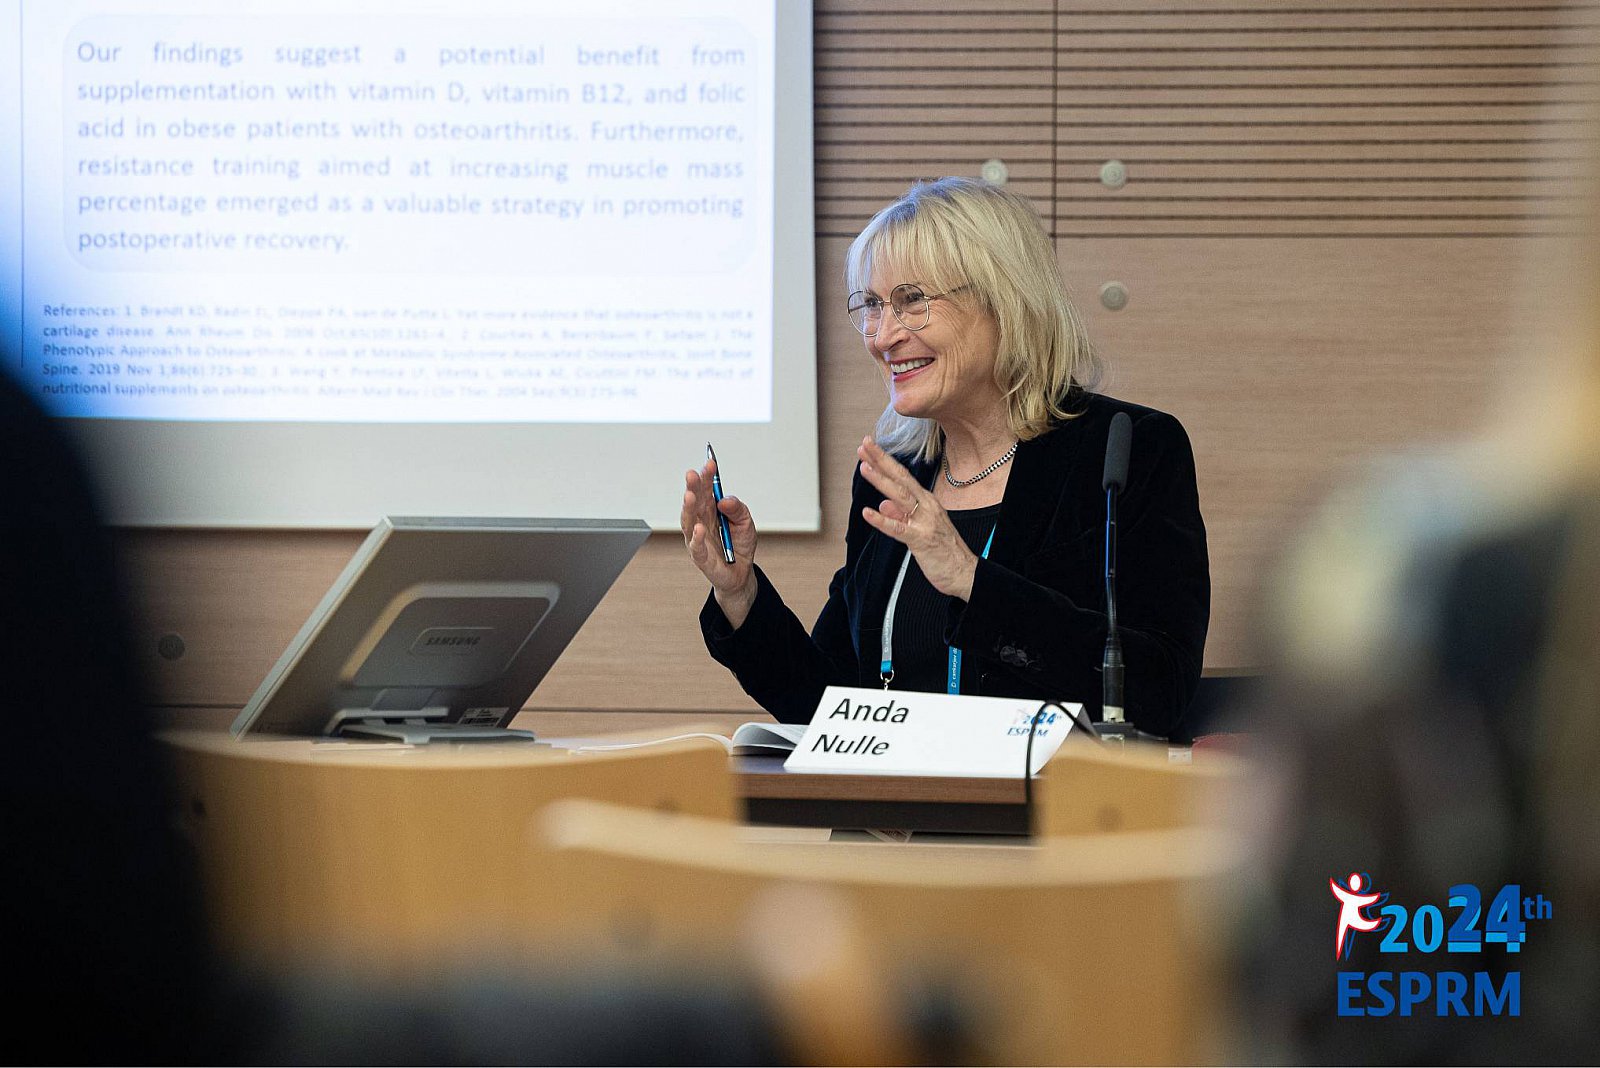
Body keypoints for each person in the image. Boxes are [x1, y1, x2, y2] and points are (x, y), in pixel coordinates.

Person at [681, 177, 1210, 736]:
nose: (882, 337)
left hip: (1052, 794)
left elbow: (1159, 688)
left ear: (1004, 300)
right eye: (872, 306)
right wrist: (740, 593)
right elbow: (830, 705)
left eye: (911, 301)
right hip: (897, 795)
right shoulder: (893, 473)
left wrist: (971, 579)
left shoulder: (1125, 452)